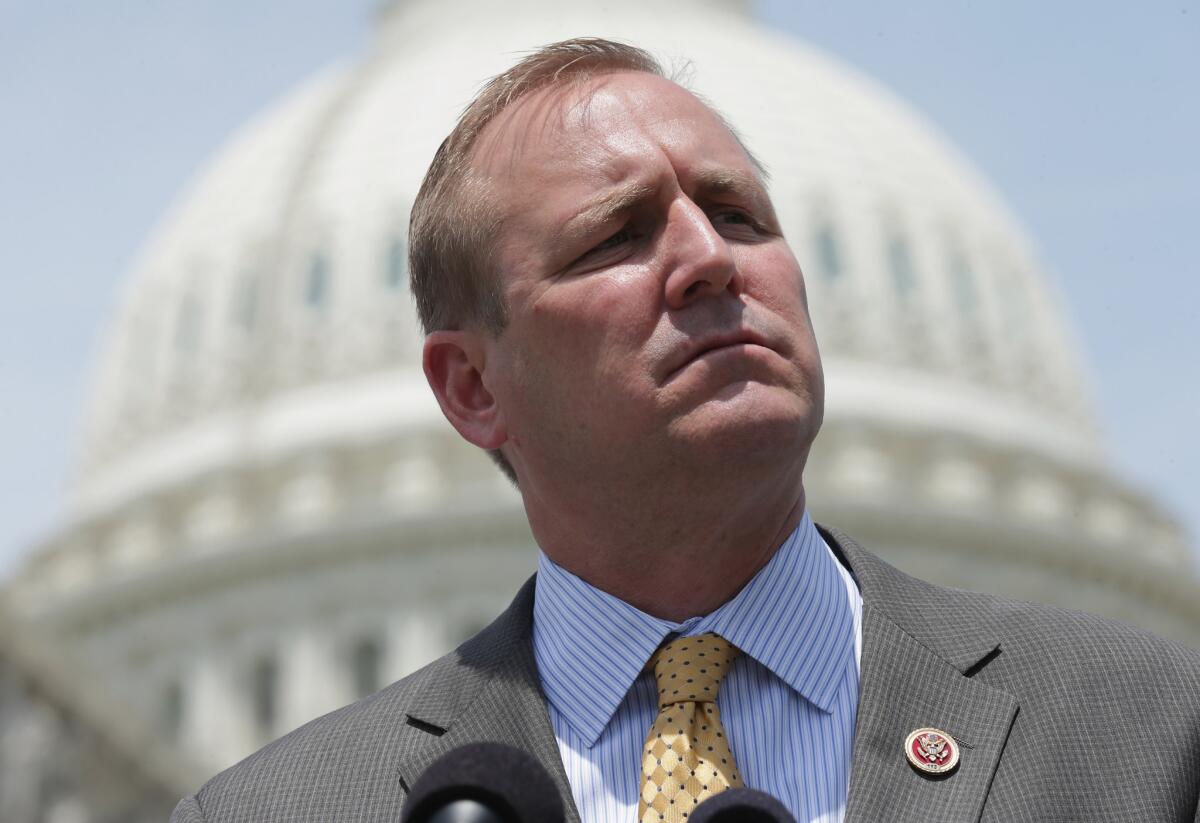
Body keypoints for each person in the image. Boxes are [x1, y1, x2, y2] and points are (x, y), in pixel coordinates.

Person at [171, 38, 1200, 823]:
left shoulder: (1148, 730)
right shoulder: (284, 810)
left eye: (741, 215)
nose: (711, 259)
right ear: (474, 385)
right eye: (616, 235)